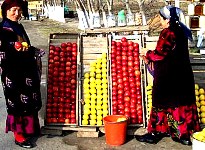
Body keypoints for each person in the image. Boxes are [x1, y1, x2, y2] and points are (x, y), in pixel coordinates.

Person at [135, 5, 201, 145]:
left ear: (168, 20)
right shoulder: (182, 31)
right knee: (181, 103)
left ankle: (155, 132)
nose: (159, 20)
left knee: (161, 103)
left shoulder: (168, 32)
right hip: (183, 76)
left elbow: (159, 55)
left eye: (161, 17)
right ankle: (183, 135)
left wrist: (146, 53)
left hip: (168, 77)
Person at [0, 0, 45, 148]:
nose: (16, 13)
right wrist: (13, 46)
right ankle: (19, 136)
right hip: (12, 73)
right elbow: (4, 47)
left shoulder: (19, 27)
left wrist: (35, 50)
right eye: (13, 10)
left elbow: (26, 45)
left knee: (30, 99)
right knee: (16, 103)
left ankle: (31, 129)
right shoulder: (3, 28)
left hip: (27, 70)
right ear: (5, 11)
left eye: (19, 10)